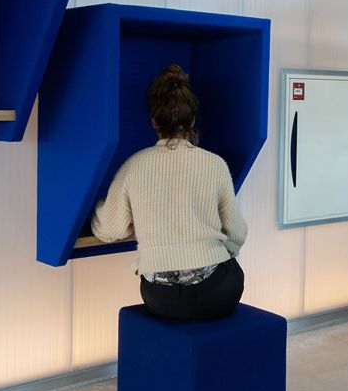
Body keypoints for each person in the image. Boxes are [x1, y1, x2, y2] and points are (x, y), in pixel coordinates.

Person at [90, 64, 247, 320]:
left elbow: (111, 228)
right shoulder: (215, 164)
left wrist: (98, 210)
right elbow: (237, 234)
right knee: (230, 271)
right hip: (217, 293)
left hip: (161, 299)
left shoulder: (134, 166)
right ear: (192, 121)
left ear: (154, 121)